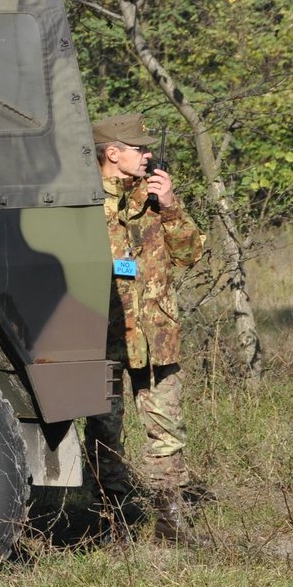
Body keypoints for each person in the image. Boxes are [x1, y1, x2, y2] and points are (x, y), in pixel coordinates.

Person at [84, 112, 208, 544]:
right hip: (102, 337)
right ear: (112, 154)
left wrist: (172, 205)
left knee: (168, 434)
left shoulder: (155, 198)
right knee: (103, 434)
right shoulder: (80, 205)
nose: (148, 154)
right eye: (140, 148)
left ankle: (170, 526)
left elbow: (191, 254)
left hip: (157, 338)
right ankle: (111, 524)